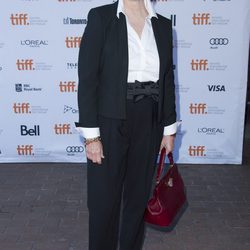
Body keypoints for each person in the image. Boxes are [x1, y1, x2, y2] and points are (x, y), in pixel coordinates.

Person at [75, 0, 177, 249]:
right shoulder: (102, 18)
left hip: (149, 120)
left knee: (138, 199)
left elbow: (167, 79)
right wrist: (91, 137)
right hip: (109, 120)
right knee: (103, 200)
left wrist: (169, 128)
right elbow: (87, 79)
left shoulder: (163, 25)